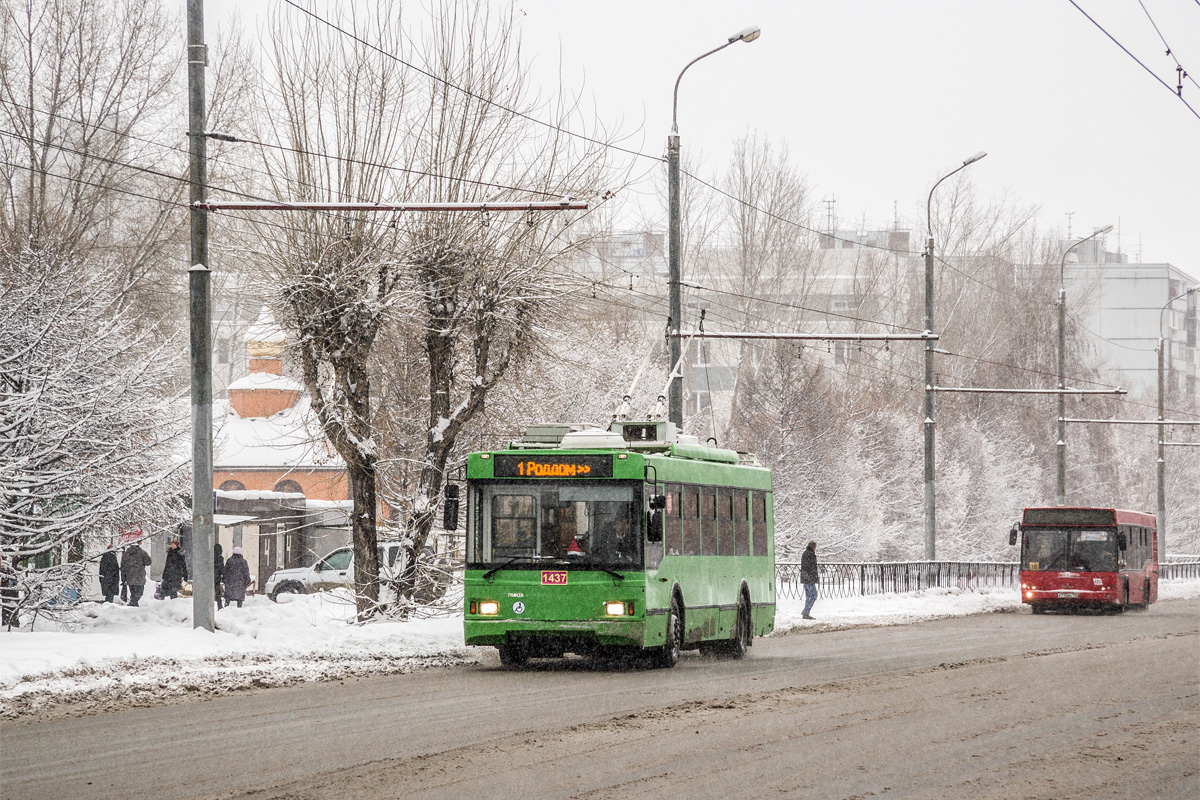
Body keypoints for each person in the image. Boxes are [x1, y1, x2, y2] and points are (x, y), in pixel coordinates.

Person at [120, 540, 153, 607]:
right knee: (139, 592)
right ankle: (134, 603)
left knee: (133, 592)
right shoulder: (142, 552)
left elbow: (123, 566)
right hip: (139, 577)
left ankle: (133, 603)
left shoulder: (126, 553)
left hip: (130, 577)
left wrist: (123, 578)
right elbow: (148, 562)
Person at [800, 539, 819, 620]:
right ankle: (806, 612)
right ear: (814, 547)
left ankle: (806, 613)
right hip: (809, 578)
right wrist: (814, 577)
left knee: (808, 596)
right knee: (814, 595)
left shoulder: (805, 553)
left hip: (805, 578)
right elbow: (811, 567)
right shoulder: (811, 554)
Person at [213, 542, 226, 609]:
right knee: (218, 591)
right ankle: (219, 605)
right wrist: (224, 577)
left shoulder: (210, 557)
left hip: (209, 577)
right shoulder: (220, 558)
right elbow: (222, 568)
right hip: (217, 577)